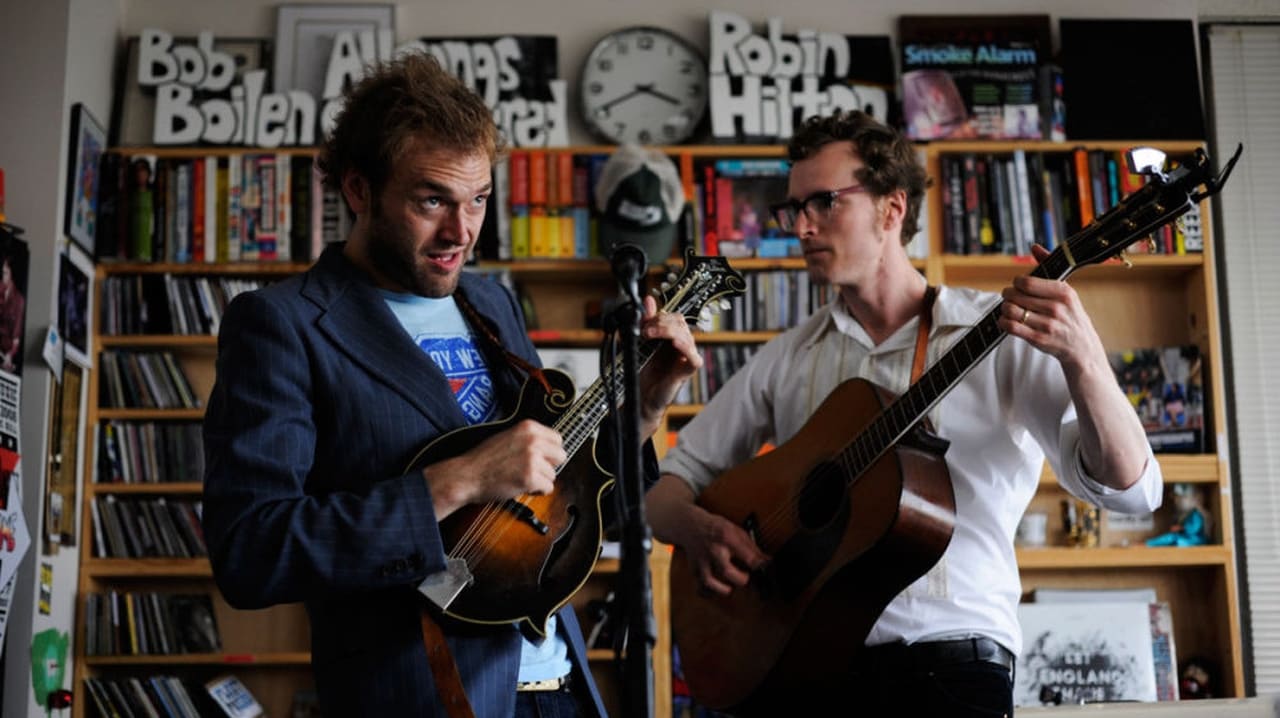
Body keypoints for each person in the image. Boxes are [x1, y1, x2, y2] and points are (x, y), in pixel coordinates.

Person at [202, 52, 700, 717]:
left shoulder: (490, 303)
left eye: (479, 200)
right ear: (358, 191)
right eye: (431, 199)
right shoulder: (281, 326)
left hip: (561, 683)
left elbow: (557, 488)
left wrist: (645, 404)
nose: (461, 233)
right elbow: (251, 551)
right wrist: (456, 482)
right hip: (428, 694)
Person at [645, 109, 1163, 715]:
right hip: (801, 672)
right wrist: (702, 531)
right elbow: (660, 493)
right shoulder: (786, 357)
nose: (802, 227)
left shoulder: (999, 332)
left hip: (948, 667)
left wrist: (1085, 359)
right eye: (794, 209)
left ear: (892, 209)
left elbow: (1134, 492)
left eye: (824, 203)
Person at [0, 255, 25, 374]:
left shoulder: (19, 300)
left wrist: (9, 355)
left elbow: (16, 339)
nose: (1, 276)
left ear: (12, 275)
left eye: (5, 273)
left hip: (5, 351)